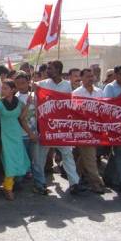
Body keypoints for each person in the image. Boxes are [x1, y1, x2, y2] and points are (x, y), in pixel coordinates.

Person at [35, 61, 86, 195]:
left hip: (62, 129)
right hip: (46, 128)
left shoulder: (68, 86)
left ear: (57, 70)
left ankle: (74, 183)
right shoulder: (42, 84)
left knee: (67, 155)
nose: (48, 71)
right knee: (40, 157)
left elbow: (74, 104)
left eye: (50, 69)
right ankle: (39, 183)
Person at [0, 79, 35, 200]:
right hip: (4, 136)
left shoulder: (19, 102)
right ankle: (8, 188)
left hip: (16, 134)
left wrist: (29, 103)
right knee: (9, 161)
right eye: (2, 88)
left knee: (18, 159)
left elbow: (22, 116)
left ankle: (10, 184)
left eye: (5, 88)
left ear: (12, 90)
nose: (2, 90)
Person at [72, 68, 106, 194]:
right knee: (90, 156)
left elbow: (104, 109)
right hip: (83, 130)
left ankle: (74, 177)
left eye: (92, 76)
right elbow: (75, 112)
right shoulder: (77, 93)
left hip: (96, 129)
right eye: (87, 76)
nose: (91, 78)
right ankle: (96, 183)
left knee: (85, 155)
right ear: (81, 78)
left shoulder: (99, 92)